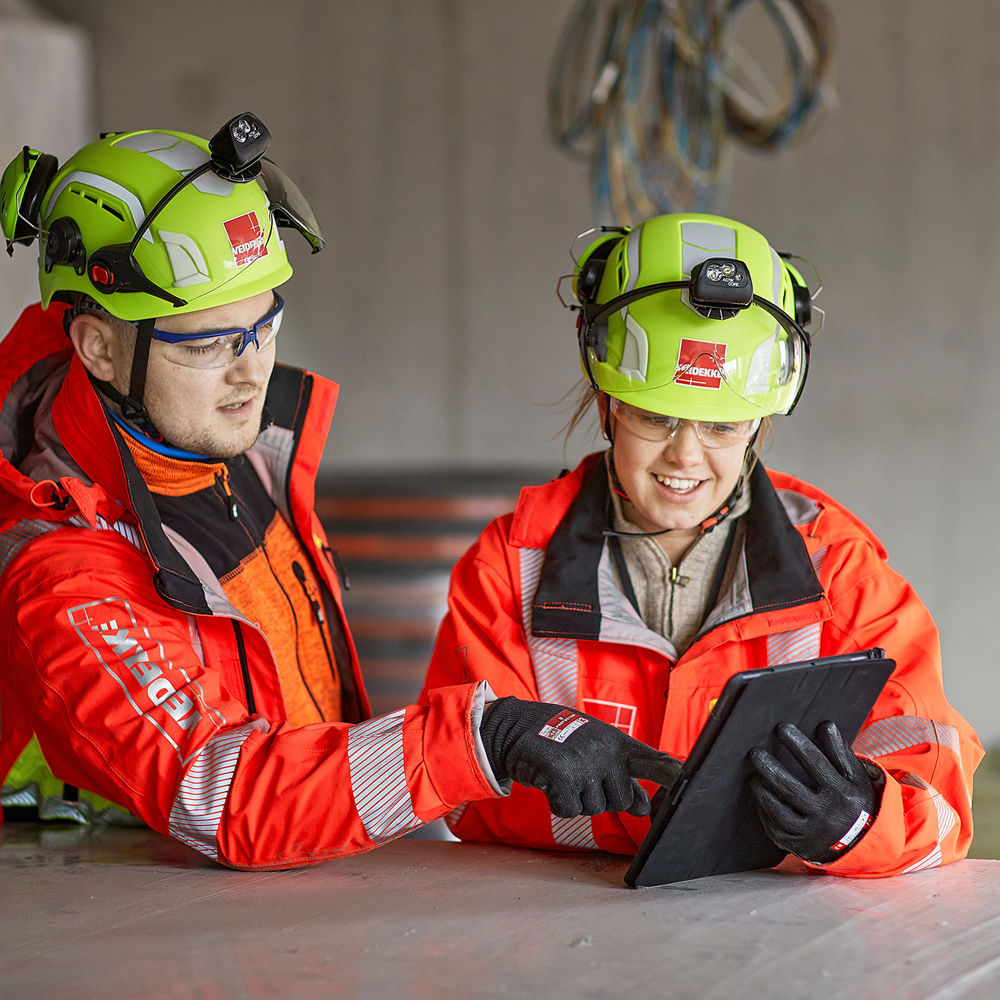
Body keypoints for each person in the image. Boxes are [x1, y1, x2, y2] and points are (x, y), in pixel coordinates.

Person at [0, 113, 680, 869]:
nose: (249, 370)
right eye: (208, 342)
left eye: (263, 325)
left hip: (294, 903)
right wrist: (481, 739)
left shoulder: (220, 448)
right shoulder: (62, 576)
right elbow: (226, 798)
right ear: (98, 347)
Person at [420, 212, 984, 877]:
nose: (685, 456)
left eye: (722, 425)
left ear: (759, 422)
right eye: (655, 415)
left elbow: (939, 801)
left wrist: (859, 819)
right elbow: (459, 799)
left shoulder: (839, 569)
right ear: (608, 403)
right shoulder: (513, 566)